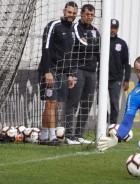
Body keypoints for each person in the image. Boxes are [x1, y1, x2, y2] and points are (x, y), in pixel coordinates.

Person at [37, 1, 78, 146]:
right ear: (64, 11)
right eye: (69, 12)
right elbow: (46, 48)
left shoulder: (73, 30)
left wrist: (69, 74)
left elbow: (69, 54)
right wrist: (47, 71)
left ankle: (43, 136)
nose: (71, 15)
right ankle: (53, 137)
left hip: (62, 72)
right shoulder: (53, 25)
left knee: (52, 104)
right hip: (50, 70)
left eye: (74, 13)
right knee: (51, 102)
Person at [65, 4, 100, 145]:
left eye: (92, 15)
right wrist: (93, 45)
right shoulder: (75, 28)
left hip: (92, 72)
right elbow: (80, 44)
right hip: (77, 69)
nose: (89, 17)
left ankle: (79, 134)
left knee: (86, 104)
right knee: (73, 102)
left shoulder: (96, 31)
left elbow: (99, 51)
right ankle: (68, 134)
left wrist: (92, 45)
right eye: (87, 14)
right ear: (81, 14)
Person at [108, 19, 131, 125]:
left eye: (115, 28)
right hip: (102, 79)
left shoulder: (122, 44)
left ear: (117, 29)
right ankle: (103, 124)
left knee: (114, 102)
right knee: (101, 104)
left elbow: (127, 62)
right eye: (111, 27)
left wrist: (126, 79)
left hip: (116, 79)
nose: (112, 30)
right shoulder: (101, 41)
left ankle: (113, 125)